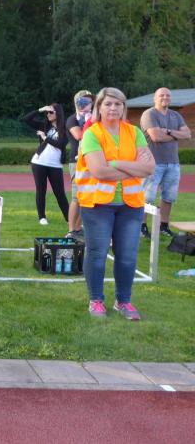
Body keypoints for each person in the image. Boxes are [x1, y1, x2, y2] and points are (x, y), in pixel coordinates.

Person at [75, 87, 155, 320]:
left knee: (128, 256)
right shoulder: (92, 133)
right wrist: (133, 167)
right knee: (98, 253)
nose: (113, 108)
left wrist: (115, 163)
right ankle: (96, 300)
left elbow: (149, 168)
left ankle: (123, 301)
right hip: (97, 205)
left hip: (131, 205)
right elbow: (99, 171)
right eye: (108, 104)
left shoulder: (134, 132)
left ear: (123, 108)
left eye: (118, 104)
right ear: (99, 108)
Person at [139, 87, 191, 238]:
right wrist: (176, 135)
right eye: (161, 95)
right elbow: (156, 137)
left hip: (173, 163)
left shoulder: (175, 115)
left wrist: (167, 131)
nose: (165, 97)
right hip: (153, 163)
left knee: (169, 197)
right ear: (155, 98)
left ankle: (164, 226)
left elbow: (187, 134)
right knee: (146, 197)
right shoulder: (149, 114)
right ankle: (142, 226)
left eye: (168, 95)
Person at [21, 103, 69, 225]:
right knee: (41, 190)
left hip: (55, 165)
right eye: (47, 112)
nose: (48, 114)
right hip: (39, 162)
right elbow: (26, 119)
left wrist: (45, 137)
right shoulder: (44, 125)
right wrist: (40, 109)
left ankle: (69, 218)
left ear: (58, 113)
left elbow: (61, 144)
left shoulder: (65, 128)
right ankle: (42, 217)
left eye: (51, 112)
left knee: (60, 193)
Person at [65, 90, 93, 239]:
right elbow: (79, 135)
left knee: (86, 196)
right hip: (77, 161)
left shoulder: (94, 118)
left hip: (91, 159)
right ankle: (71, 230)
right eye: (84, 101)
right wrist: (88, 121)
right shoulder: (72, 119)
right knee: (76, 197)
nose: (88, 104)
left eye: (90, 101)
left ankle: (78, 227)